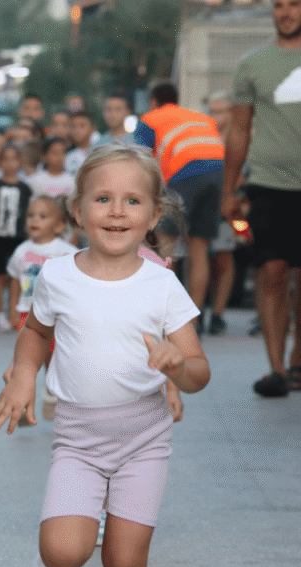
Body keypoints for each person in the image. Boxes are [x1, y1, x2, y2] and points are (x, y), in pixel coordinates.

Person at [0, 143, 210, 567]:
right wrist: (22, 377)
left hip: (143, 441)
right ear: (77, 209)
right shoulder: (56, 275)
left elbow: (198, 371)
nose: (116, 211)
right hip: (78, 440)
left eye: (132, 201)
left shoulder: (162, 285)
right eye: (103, 198)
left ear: (152, 214)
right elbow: (35, 331)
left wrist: (178, 368)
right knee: (63, 555)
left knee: (124, 564)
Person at [223, 0, 301, 395]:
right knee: (272, 271)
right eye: (280, 5)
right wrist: (228, 188)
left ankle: (298, 359)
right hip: (268, 184)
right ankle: (275, 369)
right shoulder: (253, 64)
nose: (286, 12)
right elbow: (238, 130)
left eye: (295, 5)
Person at [135, 82, 224, 327]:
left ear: (154, 101)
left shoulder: (150, 119)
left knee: (166, 247)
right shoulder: (198, 118)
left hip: (183, 174)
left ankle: (168, 319)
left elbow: (140, 162)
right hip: (216, 172)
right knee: (199, 249)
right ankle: (194, 321)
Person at [5, 195, 76, 419]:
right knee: (26, 359)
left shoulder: (66, 251)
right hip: (28, 314)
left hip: (55, 316)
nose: (34, 220)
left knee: (53, 357)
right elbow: (15, 281)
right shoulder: (21, 251)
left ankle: (51, 392)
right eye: (31, 215)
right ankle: (23, 404)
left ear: (58, 225)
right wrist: (13, 311)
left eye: (43, 216)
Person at [203, 91, 238, 337]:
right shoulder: (202, 137)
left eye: (219, 111)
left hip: (234, 210)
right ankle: (200, 311)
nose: (214, 116)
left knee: (224, 258)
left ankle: (218, 313)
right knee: (203, 258)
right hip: (205, 206)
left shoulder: (241, 138)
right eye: (211, 111)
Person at [0, 144, 32, 331]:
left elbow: (29, 213)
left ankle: (18, 311)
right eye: (5, 159)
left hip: (19, 237)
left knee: (19, 276)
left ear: (20, 162)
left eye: (14, 158)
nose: (10, 163)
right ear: (0, 162)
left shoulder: (25, 188)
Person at [64, 111, 94, 175]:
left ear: (92, 129)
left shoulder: (100, 152)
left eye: (82, 126)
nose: (77, 130)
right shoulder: (66, 157)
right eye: (73, 126)